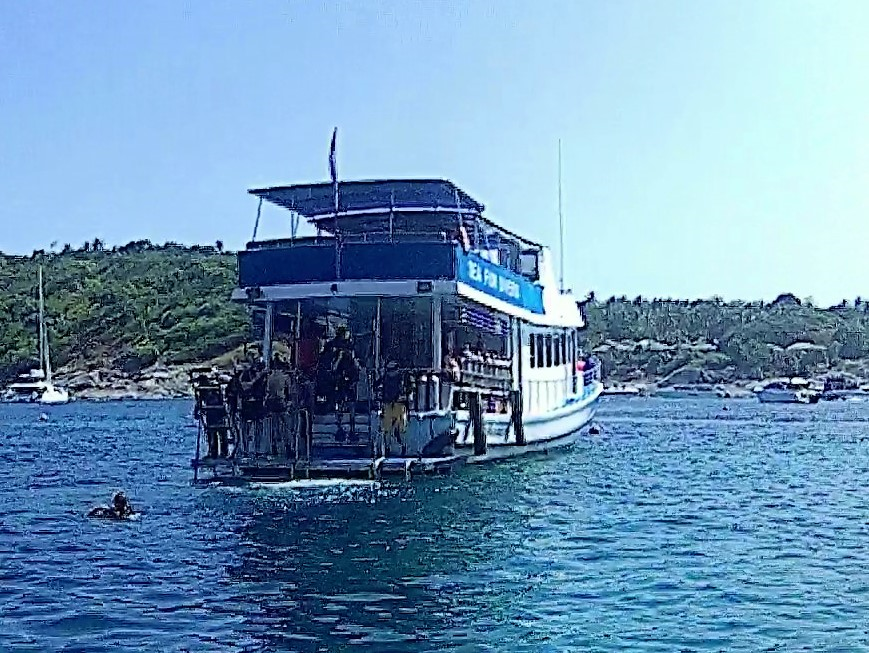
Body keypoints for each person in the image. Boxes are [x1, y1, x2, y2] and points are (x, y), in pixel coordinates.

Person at [377, 360, 408, 456]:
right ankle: (388, 448)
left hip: (398, 404)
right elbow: (376, 385)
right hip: (388, 404)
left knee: (399, 429)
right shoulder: (385, 378)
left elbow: (406, 390)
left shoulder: (401, 378)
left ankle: (402, 446)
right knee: (387, 429)